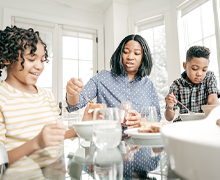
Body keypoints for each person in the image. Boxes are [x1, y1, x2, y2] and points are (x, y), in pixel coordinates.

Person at [0, 26, 89, 169]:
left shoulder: (47, 96)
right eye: (31, 58)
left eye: (42, 60)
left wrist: (83, 126)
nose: (39, 66)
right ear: (7, 59)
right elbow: (2, 161)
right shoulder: (2, 97)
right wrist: (36, 143)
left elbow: (58, 135)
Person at [66, 34, 161, 128]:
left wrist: (142, 120)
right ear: (120, 54)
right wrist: (72, 93)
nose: (130, 57)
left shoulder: (149, 85)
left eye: (136, 53)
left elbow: (157, 117)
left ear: (143, 58)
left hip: (141, 141)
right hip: (109, 139)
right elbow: (76, 104)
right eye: (126, 52)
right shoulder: (102, 78)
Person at [165, 46, 220, 122]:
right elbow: (169, 118)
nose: (199, 73)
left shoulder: (209, 77)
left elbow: (213, 99)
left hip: (203, 124)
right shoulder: (177, 85)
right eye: (194, 68)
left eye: (204, 70)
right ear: (185, 66)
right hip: (183, 125)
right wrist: (170, 107)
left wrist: (216, 117)